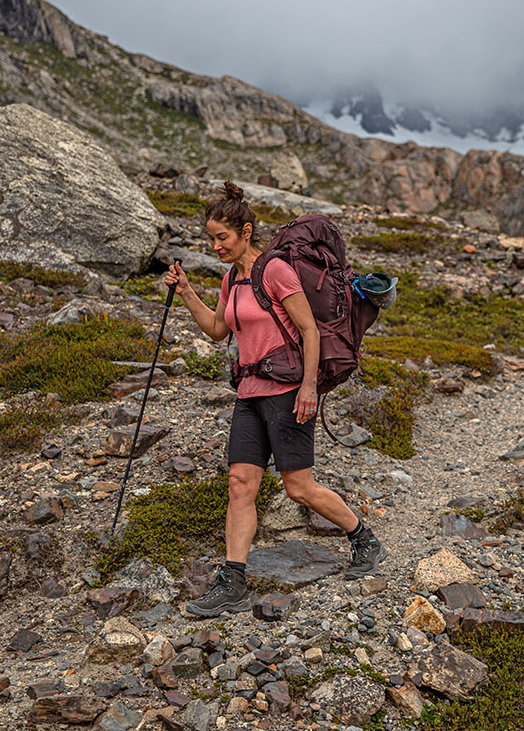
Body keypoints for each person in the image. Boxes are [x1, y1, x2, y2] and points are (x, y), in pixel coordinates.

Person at [164, 182, 386, 617]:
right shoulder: (231, 278)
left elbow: (310, 332)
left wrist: (308, 388)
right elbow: (216, 329)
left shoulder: (275, 271)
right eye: (210, 238)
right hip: (248, 394)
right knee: (239, 486)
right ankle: (233, 582)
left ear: (246, 232)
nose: (215, 246)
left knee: (298, 487)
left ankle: (364, 538)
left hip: (287, 393)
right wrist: (188, 291)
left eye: (222, 237)